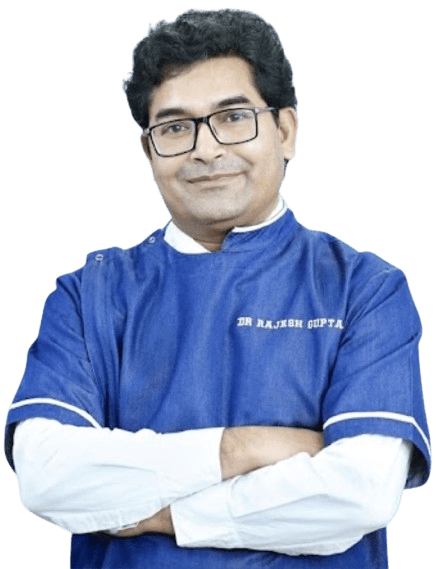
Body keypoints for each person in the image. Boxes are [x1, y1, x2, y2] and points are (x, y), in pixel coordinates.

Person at [4, 8, 431, 569]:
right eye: (175, 128)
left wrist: (168, 517)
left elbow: (361, 492)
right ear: (149, 152)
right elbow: (48, 477)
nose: (205, 149)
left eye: (232, 118)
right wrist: (241, 448)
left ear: (285, 132)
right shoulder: (89, 296)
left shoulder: (365, 288)